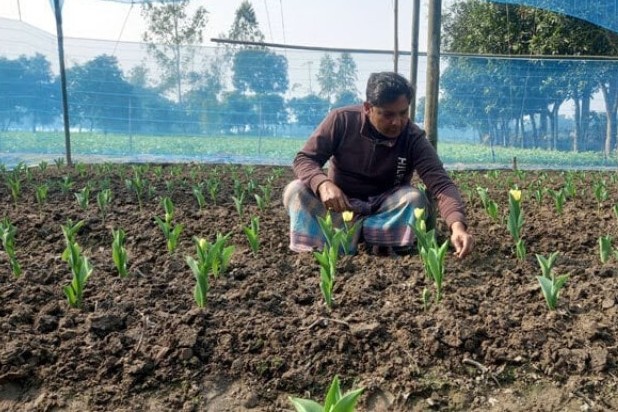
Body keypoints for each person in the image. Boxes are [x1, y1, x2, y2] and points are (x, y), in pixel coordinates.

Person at [283, 71, 473, 258]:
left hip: (384, 209)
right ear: (368, 107)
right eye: (388, 114)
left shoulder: (412, 137)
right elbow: (304, 159)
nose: (397, 122)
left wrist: (457, 226)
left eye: (403, 113)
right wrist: (322, 183)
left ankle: (358, 238)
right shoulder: (342, 120)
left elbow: (441, 184)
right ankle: (359, 239)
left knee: (414, 198)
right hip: (341, 207)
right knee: (296, 190)